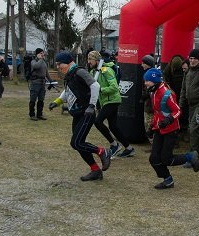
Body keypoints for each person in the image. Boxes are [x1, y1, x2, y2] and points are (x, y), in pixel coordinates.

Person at [49, 51, 110, 181]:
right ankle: (95, 170)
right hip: (78, 113)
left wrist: (92, 105)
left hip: (86, 113)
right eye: (57, 64)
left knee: (76, 142)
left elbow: (95, 85)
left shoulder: (79, 72)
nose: (58, 67)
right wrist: (57, 102)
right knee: (77, 144)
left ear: (68, 62)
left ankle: (102, 151)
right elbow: (68, 91)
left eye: (60, 64)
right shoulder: (70, 75)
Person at [144, 68, 199, 189]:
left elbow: (178, 111)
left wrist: (168, 120)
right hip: (159, 128)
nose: (145, 83)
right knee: (153, 158)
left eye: (147, 80)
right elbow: (158, 112)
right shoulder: (153, 92)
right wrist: (152, 127)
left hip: (171, 129)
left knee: (166, 159)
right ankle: (168, 180)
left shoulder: (166, 94)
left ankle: (190, 157)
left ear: (154, 81)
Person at [87, 50, 135, 158]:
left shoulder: (106, 70)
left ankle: (114, 145)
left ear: (97, 60)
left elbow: (114, 87)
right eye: (88, 59)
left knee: (97, 121)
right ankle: (129, 148)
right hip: (105, 101)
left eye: (90, 59)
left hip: (112, 100)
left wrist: (100, 90)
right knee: (113, 127)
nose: (88, 61)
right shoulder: (93, 72)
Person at [179, 48, 199, 155]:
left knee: (193, 128)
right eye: (190, 58)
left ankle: (193, 154)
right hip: (190, 104)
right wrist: (180, 104)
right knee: (198, 129)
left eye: (195, 59)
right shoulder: (187, 71)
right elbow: (183, 89)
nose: (192, 61)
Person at [28, 48, 52, 121]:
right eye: (41, 53)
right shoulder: (33, 61)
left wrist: (51, 80)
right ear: (37, 54)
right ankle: (32, 114)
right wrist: (41, 59)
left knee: (41, 99)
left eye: (43, 53)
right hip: (35, 83)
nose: (42, 54)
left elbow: (46, 72)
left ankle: (39, 114)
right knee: (33, 99)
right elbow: (36, 66)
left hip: (42, 83)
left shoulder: (44, 62)